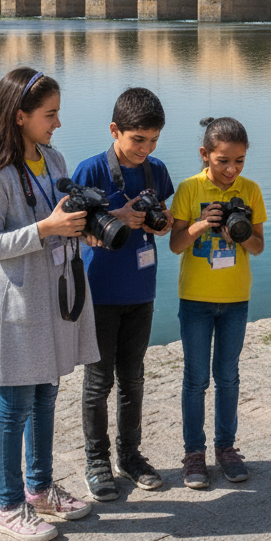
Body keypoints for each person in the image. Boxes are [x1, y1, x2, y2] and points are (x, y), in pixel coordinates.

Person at [0, 67, 98, 541]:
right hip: (18, 305)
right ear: (19, 117)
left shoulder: (54, 159)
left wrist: (91, 227)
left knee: (46, 396)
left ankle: (39, 489)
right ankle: (7, 504)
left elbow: (66, 217)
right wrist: (46, 229)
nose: (58, 123)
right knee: (15, 404)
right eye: (50, 114)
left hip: (55, 297)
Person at [71, 88, 174, 502]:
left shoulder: (156, 170)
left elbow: (162, 221)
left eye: (153, 141)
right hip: (100, 293)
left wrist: (161, 224)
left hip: (141, 289)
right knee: (98, 382)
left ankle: (129, 455)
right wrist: (117, 216)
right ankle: (96, 461)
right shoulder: (90, 170)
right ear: (115, 130)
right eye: (137, 140)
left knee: (133, 378)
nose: (145, 149)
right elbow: (71, 226)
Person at [169, 116, 267, 489]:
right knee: (196, 380)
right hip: (195, 299)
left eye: (239, 161)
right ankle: (194, 453)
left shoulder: (251, 190)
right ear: (204, 155)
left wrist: (237, 234)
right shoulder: (189, 189)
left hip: (235, 300)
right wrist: (199, 224)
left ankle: (226, 449)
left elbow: (258, 247)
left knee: (228, 377)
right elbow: (176, 244)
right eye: (223, 160)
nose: (231, 169)